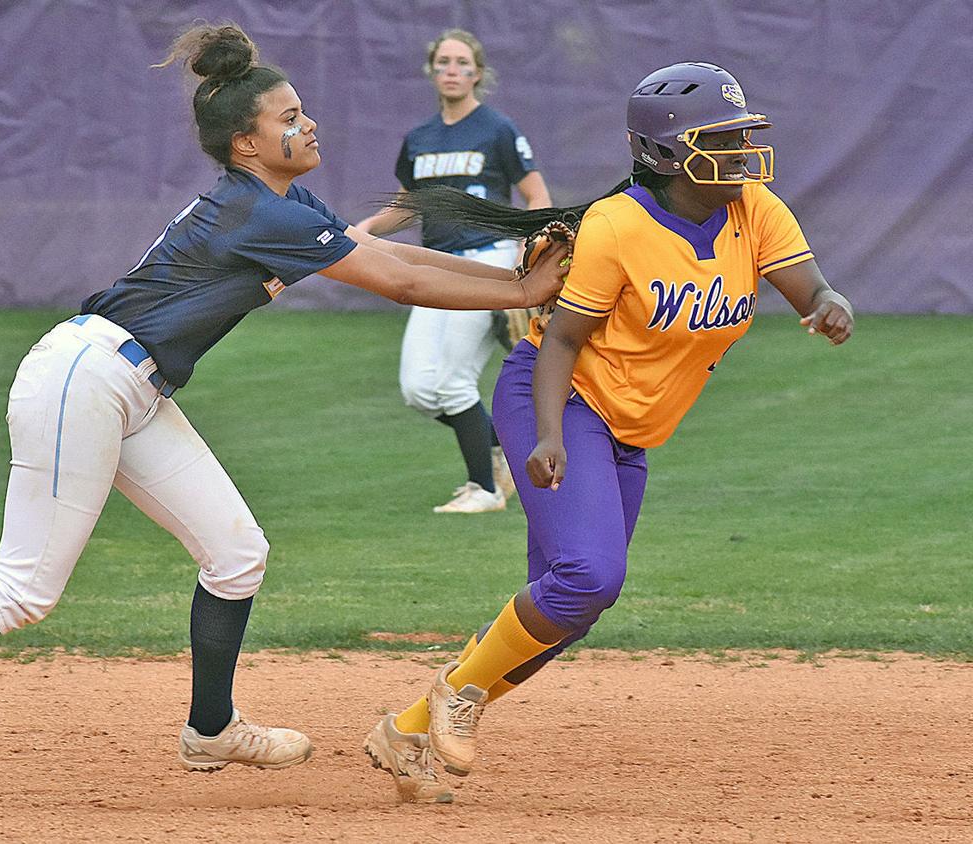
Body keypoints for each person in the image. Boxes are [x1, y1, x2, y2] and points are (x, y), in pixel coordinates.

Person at [0, 23, 568, 813]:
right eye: (287, 117)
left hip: (133, 387)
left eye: (302, 110)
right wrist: (520, 293)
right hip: (86, 380)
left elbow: (397, 258)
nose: (306, 124)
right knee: (25, 588)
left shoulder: (282, 201)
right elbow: (399, 284)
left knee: (236, 553)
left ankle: (211, 728)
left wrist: (516, 273)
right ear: (246, 144)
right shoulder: (258, 212)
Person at [363, 61, 855, 803]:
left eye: (740, 136)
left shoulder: (756, 210)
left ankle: (404, 729)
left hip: (629, 424)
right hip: (557, 401)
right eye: (718, 139)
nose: (741, 154)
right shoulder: (619, 225)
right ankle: (454, 694)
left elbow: (807, 286)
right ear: (664, 154)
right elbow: (558, 342)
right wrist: (549, 436)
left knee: (571, 608)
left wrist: (827, 303)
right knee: (590, 577)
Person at [355, 29, 553, 514]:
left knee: (453, 383)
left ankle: (483, 490)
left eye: (462, 62)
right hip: (436, 264)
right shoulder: (420, 139)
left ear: (478, 73)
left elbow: (536, 194)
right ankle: (503, 448)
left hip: (488, 260)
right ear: (432, 70)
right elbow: (410, 205)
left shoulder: (497, 128)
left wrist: (528, 246)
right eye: (443, 61)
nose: (451, 69)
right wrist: (368, 229)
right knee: (419, 389)